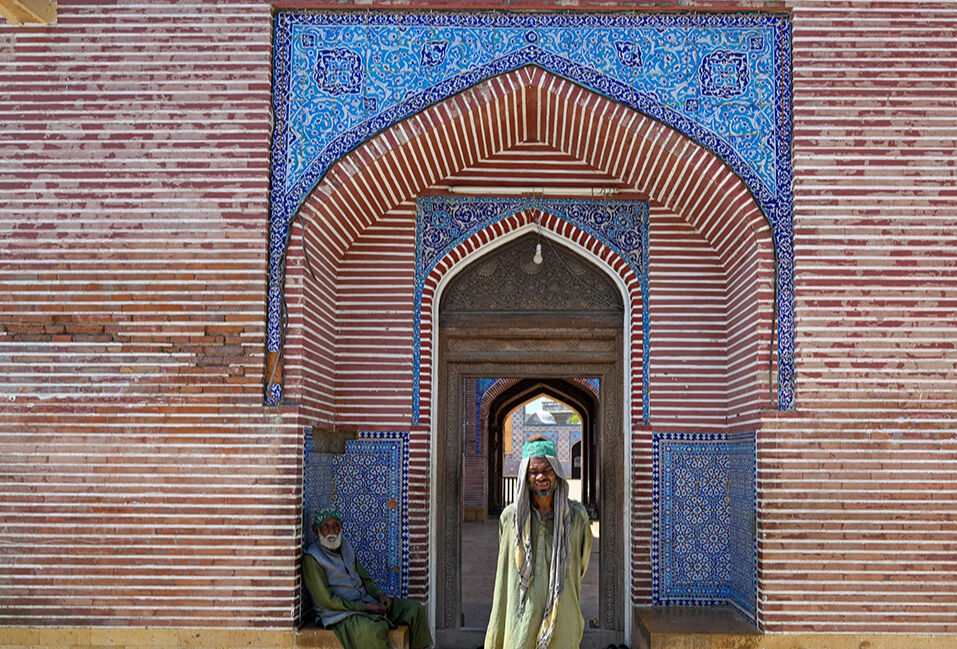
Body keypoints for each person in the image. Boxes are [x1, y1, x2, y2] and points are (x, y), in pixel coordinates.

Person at [485, 436, 594, 649]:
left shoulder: (576, 516)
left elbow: (581, 564)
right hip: (521, 617)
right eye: (533, 472)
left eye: (547, 470)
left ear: (557, 474)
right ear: (525, 477)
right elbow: (507, 566)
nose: (540, 477)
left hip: (562, 615)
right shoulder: (510, 518)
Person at [302, 507, 433, 649]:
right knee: (372, 629)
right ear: (316, 530)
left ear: (341, 527)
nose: (332, 531)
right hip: (340, 614)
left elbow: (365, 579)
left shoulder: (345, 545)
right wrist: (365, 607)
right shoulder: (312, 558)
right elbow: (328, 601)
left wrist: (380, 595)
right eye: (326, 527)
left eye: (336, 526)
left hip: (364, 601)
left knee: (414, 609)